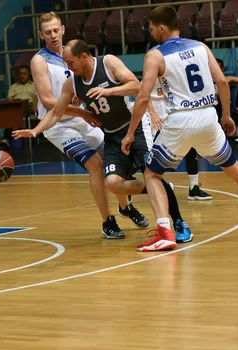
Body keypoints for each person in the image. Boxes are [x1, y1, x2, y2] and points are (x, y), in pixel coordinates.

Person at [122, 5, 238, 252]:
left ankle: (164, 232)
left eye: (151, 29)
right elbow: (222, 81)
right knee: (236, 171)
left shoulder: (155, 55)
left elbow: (143, 97)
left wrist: (130, 133)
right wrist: (226, 115)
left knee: (151, 175)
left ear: (161, 27)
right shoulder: (201, 47)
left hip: (180, 121)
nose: (150, 34)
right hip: (207, 117)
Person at [13, 39, 193, 244]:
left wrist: (108, 91)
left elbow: (136, 85)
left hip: (135, 127)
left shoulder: (108, 63)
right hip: (112, 135)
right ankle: (153, 189)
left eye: (70, 62)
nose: (68, 67)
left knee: (151, 174)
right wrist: (36, 130)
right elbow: (56, 111)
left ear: (84, 57)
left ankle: (179, 222)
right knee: (113, 183)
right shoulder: (72, 82)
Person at [23, 12, 147, 239]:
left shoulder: (74, 55)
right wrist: (81, 111)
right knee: (96, 165)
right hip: (57, 124)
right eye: (47, 32)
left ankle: (125, 207)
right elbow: (49, 101)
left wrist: (84, 103)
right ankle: (107, 221)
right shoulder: (39, 61)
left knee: (114, 162)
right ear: (41, 35)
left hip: (83, 118)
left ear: (62, 29)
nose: (52, 35)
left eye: (55, 30)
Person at [149, 79, 212, 201]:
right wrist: (153, 115)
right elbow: (143, 95)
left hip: (172, 118)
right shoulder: (150, 76)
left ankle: (194, 188)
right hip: (152, 119)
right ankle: (129, 188)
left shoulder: (172, 74)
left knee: (191, 146)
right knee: (147, 156)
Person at [3, 64, 37, 147]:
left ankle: (8, 137)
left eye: (24, 73)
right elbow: (9, 98)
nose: (22, 76)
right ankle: (9, 138)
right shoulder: (13, 87)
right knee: (9, 113)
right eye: (20, 74)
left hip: (30, 108)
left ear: (28, 74)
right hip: (16, 107)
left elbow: (37, 99)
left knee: (18, 112)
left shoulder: (34, 85)